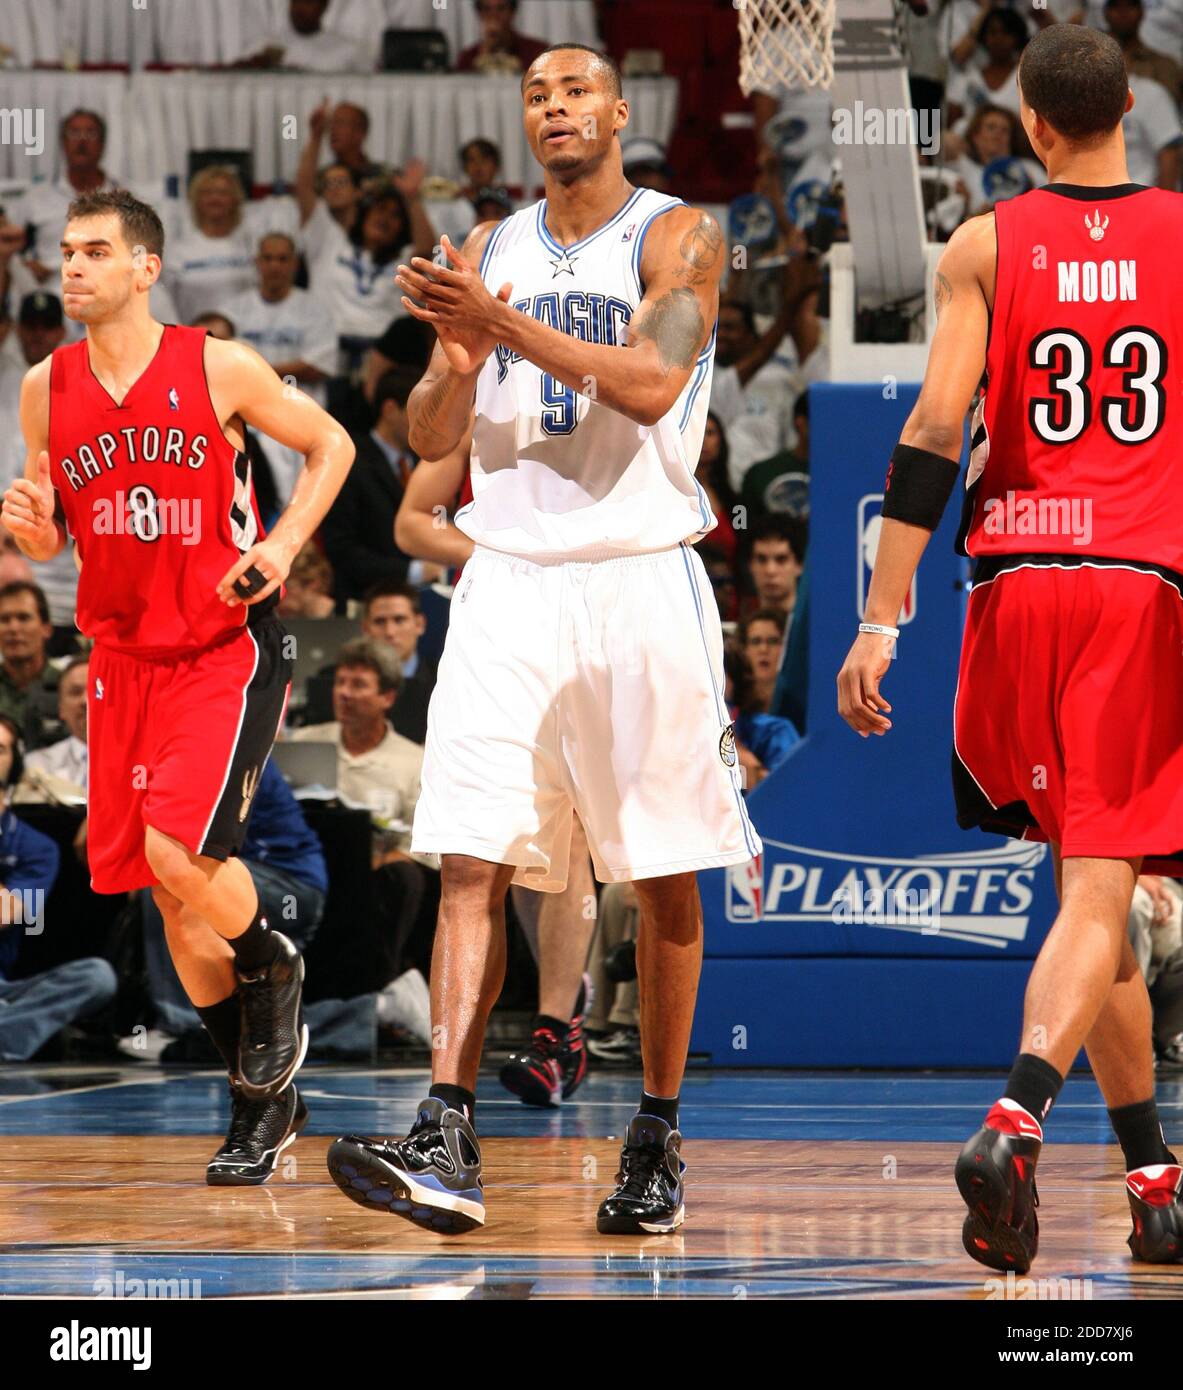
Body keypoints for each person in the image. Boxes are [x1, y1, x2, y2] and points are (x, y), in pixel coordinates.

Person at [326, 43, 760, 1235]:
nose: (555, 106)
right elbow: (426, 426)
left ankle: (658, 1132)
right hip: (508, 575)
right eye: (535, 94)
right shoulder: (492, 248)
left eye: (576, 89)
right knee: (470, 856)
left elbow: (653, 382)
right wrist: (459, 358)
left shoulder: (680, 236)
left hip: (636, 573)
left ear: (618, 111)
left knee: (659, 871)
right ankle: (446, 1130)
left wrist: (498, 320)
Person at [838, 25, 1183, 1273]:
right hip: (1135, 587)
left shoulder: (983, 242)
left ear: (1029, 122)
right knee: (1104, 888)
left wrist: (882, 615)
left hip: (1014, 586)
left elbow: (935, 427)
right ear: (1130, 105)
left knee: (1084, 901)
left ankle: (1153, 1182)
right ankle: (1013, 1119)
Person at [0, 188, 354, 1183]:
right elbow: (50, 526)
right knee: (171, 903)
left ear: (145, 268)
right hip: (119, 661)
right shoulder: (45, 387)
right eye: (65, 252)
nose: (70, 267)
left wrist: (284, 546)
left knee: (179, 849)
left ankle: (276, 957)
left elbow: (333, 443)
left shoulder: (216, 364)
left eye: (94, 252)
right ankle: (265, 1103)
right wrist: (32, 529)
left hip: (223, 648)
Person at [0, 714, 116, 1062]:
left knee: (97, 976)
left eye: (0, 749)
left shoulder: (37, 847)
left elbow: (8, 913)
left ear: (15, 761)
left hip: (5, 986)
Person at [320, 367, 417, 603]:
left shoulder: (430, 462)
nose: (430, 422)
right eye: (421, 412)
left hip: (425, 604)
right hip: (363, 601)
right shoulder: (349, 460)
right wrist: (413, 571)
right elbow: (341, 548)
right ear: (390, 410)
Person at [0, 580, 63, 749]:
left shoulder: (69, 687)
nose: (13, 628)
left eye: (23, 618)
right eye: (4, 619)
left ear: (46, 629)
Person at [455, 0, 547, 74]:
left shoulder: (536, 51)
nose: (494, 15)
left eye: (501, 8)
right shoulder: (468, 57)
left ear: (512, 12)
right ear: (479, 13)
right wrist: (484, 50)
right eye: (487, 9)